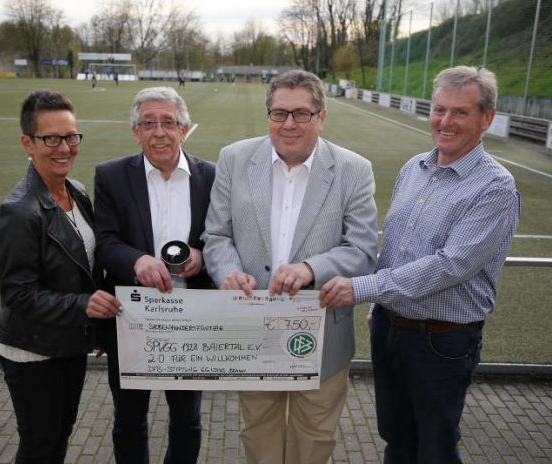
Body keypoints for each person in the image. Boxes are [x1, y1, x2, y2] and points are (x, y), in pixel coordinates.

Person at [319, 65, 521, 463]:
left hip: (441, 341)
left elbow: (451, 265)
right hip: (391, 329)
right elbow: (395, 246)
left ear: (487, 119)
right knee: (396, 437)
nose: (446, 122)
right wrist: (380, 308)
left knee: (435, 448)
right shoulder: (415, 168)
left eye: (460, 112)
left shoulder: (495, 186)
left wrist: (364, 289)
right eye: (439, 109)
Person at [202, 69, 378, 464]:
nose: (289, 124)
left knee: (314, 438)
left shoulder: (354, 169)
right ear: (268, 115)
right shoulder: (234, 158)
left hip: (322, 337)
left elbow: (363, 249)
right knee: (257, 431)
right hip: (253, 330)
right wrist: (227, 270)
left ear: (322, 116)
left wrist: (310, 269)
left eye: (302, 113)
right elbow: (216, 235)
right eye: (279, 113)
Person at [0, 90, 122, 463]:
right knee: (40, 444)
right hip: (33, 350)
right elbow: (18, 297)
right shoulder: (18, 211)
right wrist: (86, 306)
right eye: (51, 138)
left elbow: (84, 269)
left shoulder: (76, 191)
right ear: (27, 143)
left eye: (71, 136)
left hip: (68, 341)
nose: (64, 147)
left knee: (59, 435)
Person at [94, 86, 215, 464]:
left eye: (168, 122)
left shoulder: (211, 176)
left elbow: (225, 238)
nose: (159, 131)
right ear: (135, 132)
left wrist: (203, 254)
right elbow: (105, 241)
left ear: (185, 128)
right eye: (149, 123)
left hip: (192, 322)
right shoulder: (111, 176)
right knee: (129, 419)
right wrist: (137, 261)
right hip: (132, 322)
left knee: (188, 420)